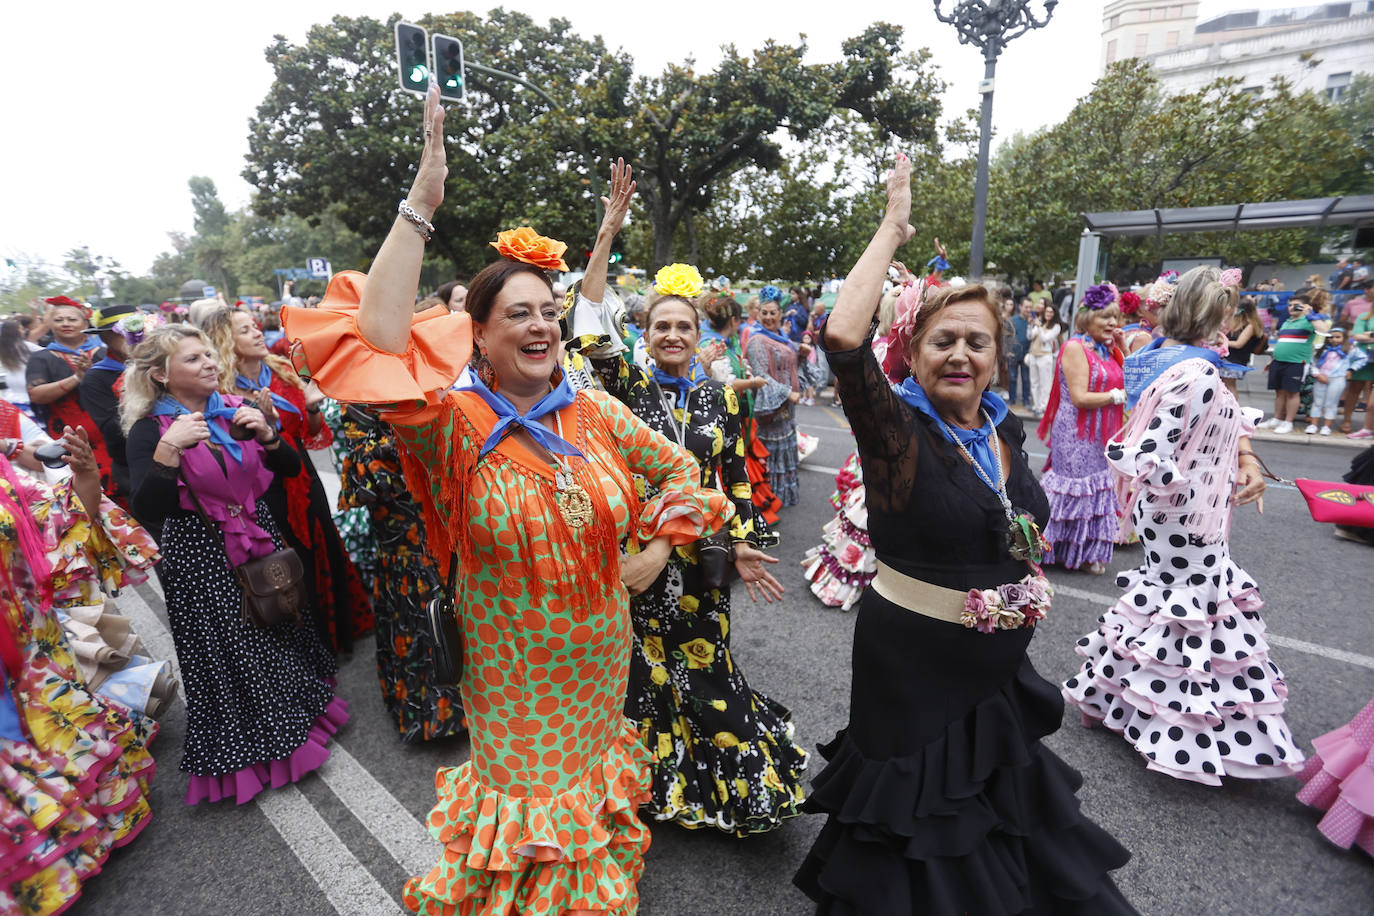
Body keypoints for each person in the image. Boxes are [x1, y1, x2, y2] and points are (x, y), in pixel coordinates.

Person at [284, 88, 732, 915]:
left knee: (585, 786)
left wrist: (656, 549)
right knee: (530, 803)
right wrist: (420, 206)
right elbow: (376, 344)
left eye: (548, 314)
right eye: (517, 314)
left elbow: (683, 474)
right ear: (478, 337)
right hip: (511, 669)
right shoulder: (447, 424)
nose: (541, 327)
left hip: (600, 650)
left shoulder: (591, 410)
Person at [795, 153, 1135, 915]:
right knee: (917, 820)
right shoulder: (897, 432)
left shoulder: (1001, 429)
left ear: (995, 358)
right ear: (913, 353)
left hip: (996, 667)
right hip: (911, 669)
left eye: (977, 343)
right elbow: (843, 336)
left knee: (1001, 811)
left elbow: (1016, 525)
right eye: (943, 340)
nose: (960, 355)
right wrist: (894, 225)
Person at [568, 162, 805, 836]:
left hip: (701, 560)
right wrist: (607, 236)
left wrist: (745, 543)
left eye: (683, 326)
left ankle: (736, 786)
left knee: (708, 669)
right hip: (639, 561)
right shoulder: (625, 387)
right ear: (644, 335)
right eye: (660, 326)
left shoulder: (721, 398)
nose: (672, 335)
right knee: (643, 673)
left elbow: (734, 477)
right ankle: (658, 787)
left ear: (700, 336)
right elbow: (587, 330)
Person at [1064, 265, 1304, 784]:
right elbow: (1147, 448)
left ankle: (1116, 699)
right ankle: (1179, 732)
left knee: (1167, 605)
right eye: (1229, 313)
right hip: (1186, 515)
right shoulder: (1194, 373)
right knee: (1192, 611)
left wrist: (1240, 459)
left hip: (1180, 511)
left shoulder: (1168, 358)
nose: (1231, 325)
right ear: (1214, 316)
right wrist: (1185, 483)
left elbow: (1191, 428)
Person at [121, 324, 345, 805]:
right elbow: (148, 507)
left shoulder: (233, 409)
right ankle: (266, 746)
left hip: (256, 536)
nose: (209, 363)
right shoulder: (149, 430)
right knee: (237, 651)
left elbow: (289, 468)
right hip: (201, 554)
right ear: (160, 375)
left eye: (208, 354)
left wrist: (268, 435)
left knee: (277, 626)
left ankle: (297, 718)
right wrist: (169, 449)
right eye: (193, 358)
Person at [0, 426, 161, 913]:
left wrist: (86, 471)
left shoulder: (5, 475)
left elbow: (64, 517)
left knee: (58, 736)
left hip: (34, 650)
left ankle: (83, 835)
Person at [202, 307, 374, 653]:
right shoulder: (220, 390)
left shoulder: (281, 370)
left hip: (302, 473)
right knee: (290, 562)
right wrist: (266, 427)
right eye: (245, 330)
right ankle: (311, 645)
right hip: (263, 487)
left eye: (255, 326)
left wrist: (311, 408)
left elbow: (311, 433)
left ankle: (340, 632)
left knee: (323, 544)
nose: (257, 333)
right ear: (225, 341)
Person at [336, 400, 465, 743]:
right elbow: (370, 477)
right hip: (401, 535)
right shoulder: (357, 402)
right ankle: (431, 716)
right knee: (417, 614)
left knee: (456, 606)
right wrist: (409, 438)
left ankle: (471, 703)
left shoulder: (423, 386)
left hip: (440, 523)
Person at [1036, 283, 1126, 574]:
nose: (1112, 323)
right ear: (1087, 319)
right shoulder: (1075, 347)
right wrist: (1117, 397)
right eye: (1105, 317)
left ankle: (1084, 554)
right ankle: (1048, 549)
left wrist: (1122, 347)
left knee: (1094, 491)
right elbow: (1080, 398)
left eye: (1115, 317)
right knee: (1074, 491)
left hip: (1100, 435)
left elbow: (1130, 376)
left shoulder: (1106, 349)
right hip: (1075, 434)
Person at [25, 297, 118, 496]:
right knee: (79, 489)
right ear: (50, 325)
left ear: (85, 323)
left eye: (72, 319)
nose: (65, 324)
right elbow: (36, 395)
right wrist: (77, 378)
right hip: (68, 435)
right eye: (58, 320)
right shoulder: (41, 357)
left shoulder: (106, 353)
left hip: (109, 430)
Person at [78, 304, 144, 505]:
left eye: (139, 330)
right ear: (105, 337)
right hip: (135, 467)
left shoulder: (163, 365)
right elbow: (114, 429)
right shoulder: (96, 378)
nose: (133, 337)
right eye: (123, 332)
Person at [746, 288, 805, 508]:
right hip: (770, 407)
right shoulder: (756, 340)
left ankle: (784, 494)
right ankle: (770, 498)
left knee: (785, 448)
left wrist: (801, 353)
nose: (769, 317)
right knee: (770, 451)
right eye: (765, 313)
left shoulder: (782, 336)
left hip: (787, 406)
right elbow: (761, 375)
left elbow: (788, 360)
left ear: (780, 314)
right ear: (758, 314)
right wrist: (787, 392)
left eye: (773, 313)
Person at [1259, 293, 1318, 435]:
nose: (1291, 307)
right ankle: (1277, 419)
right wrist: (1273, 360)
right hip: (1278, 362)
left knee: (1292, 393)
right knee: (1279, 392)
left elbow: (1324, 330)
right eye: (1290, 305)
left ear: (1305, 306)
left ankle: (1288, 422)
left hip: (1297, 363)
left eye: (1296, 305)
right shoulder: (1287, 321)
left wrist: (1310, 314)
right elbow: (1283, 342)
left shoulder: (1309, 321)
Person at [1308, 326, 1367, 436]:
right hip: (1321, 378)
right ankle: (1313, 425)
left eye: (1338, 337)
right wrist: (1317, 374)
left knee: (1331, 403)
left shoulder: (1350, 349)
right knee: (1317, 402)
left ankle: (1326, 426)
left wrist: (1351, 369)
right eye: (1331, 337)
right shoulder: (1321, 349)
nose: (1334, 339)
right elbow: (1312, 362)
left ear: (1344, 338)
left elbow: (1363, 358)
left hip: (1337, 379)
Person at [1223, 295, 1267, 396]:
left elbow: (1239, 344)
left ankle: (1231, 404)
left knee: (1229, 385)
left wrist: (1222, 342)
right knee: (1226, 384)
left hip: (1236, 360)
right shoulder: (1239, 323)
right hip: (1230, 358)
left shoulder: (1250, 326)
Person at [1345, 292, 1374, 436]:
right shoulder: (1364, 317)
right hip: (1363, 357)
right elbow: (1357, 336)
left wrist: (1369, 335)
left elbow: (1362, 336)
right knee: (1354, 389)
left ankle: (1368, 427)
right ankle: (1347, 421)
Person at [0, 318, 41, 418]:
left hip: (11, 381)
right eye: (22, 329)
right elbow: (48, 352)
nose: (24, 331)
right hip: (25, 380)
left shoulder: (3, 346)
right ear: (16, 331)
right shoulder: (23, 345)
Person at [1026, 299, 1061, 414]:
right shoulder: (1041, 323)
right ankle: (1036, 405)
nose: (1048, 314)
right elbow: (1030, 336)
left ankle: (1043, 406)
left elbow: (1044, 339)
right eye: (1047, 311)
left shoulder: (1056, 327)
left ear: (1054, 314)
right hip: (1033, 355)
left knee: (1045, 384)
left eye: (1051, 312)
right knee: (1034, 382)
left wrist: (1039, 327)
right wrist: (1030, 325)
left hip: (1045, 357)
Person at [1007, 297, 1033, 408]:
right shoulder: (1012, 320)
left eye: (1030, 307)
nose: (1028, 309)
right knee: (1012, 378)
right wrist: (1007, 351)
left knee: (1026, 379)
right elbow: (1006, 337)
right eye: (1026, 307)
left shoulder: (1033, 321)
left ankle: (1026, 400)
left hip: (1027, 354)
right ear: (1020, 307)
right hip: (1013, 354)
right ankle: (1012, 399)